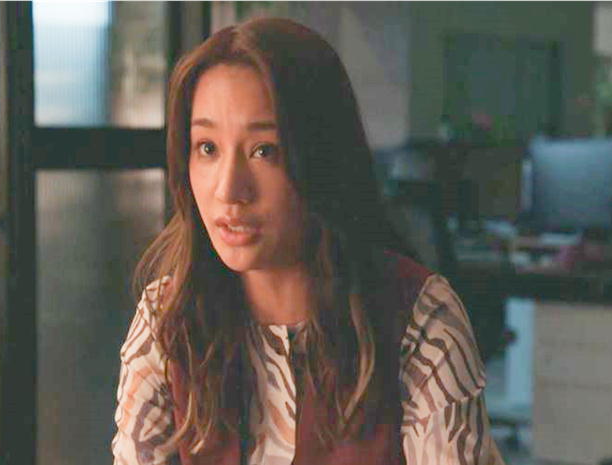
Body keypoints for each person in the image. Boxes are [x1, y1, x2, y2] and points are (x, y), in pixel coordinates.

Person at [112, 17, 505, 465]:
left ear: (322, 159)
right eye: (207, 148)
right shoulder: (168, 317)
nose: (228, 189)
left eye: (265, 150)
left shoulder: (419, 319)